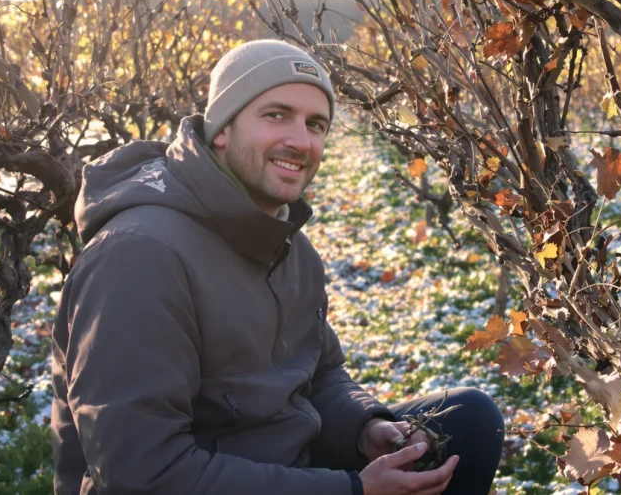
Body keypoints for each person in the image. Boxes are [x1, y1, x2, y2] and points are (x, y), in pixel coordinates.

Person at [50, 39, 505, 495]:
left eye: (316, 124)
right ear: (222, 128)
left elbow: (320, 374)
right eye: (276, 115)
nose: (300, 141)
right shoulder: (139, 257)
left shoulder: (288, 246)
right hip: (198, 481)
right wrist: (352, 490)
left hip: (282, 464)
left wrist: (365, 428)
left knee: (467, 420)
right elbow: (141, 475)